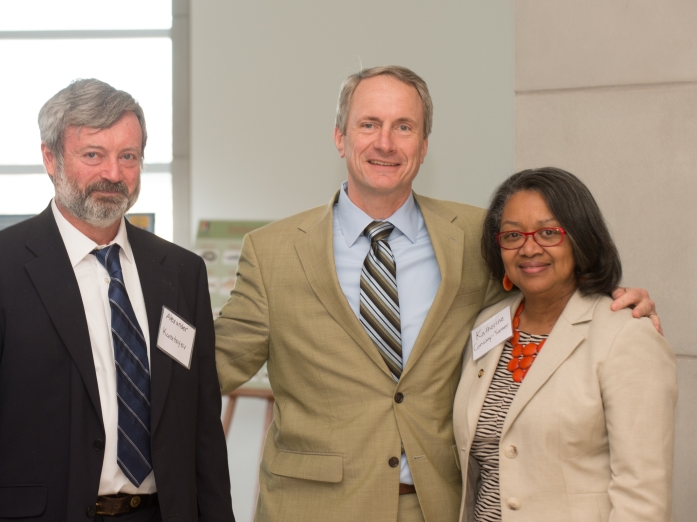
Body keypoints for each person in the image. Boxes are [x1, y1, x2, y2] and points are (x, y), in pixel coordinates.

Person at [213, 66, 657, 522]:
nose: (385, 143)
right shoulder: (273, 253)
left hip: (439, 506)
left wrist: (611, 304)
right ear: (340, 137)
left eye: (403, 127)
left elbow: (544, 282)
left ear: (423, 146)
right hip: (314, 508)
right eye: (369, 124)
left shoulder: (475, 236)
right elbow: (209, 369)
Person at [0, 79, 234, 522]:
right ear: (50, 159)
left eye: (127, 156)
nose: (113, 173)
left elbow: (203, 429)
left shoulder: (181, 273)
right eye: (93, 154)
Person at [452, 167, 677, 521]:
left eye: (548, 232)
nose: (528, 248)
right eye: (512, 235)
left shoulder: (626, 335)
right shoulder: (489, 323)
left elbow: (642, 498)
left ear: (580, 239)